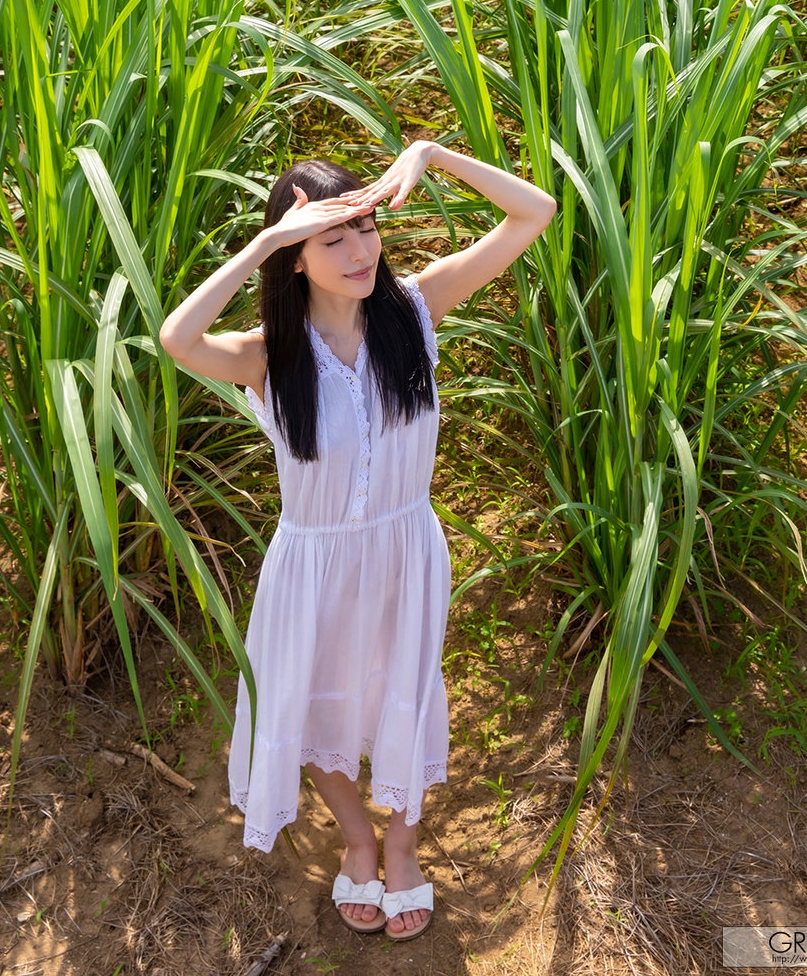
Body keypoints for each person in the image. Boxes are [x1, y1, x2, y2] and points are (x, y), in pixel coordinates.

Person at [158, 139, 555, 942]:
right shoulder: (268, 359)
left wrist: (430, 154)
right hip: (313, 563)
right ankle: (359, 839)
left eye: (366, 227)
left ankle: (403, 843)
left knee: (404, 697)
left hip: (405, 551)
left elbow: (534, 213)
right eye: (332, 238)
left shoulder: (415, 308)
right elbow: (177, 338)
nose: (359, 250)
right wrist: (264, 241)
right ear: (296, 259)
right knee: (315, 706)